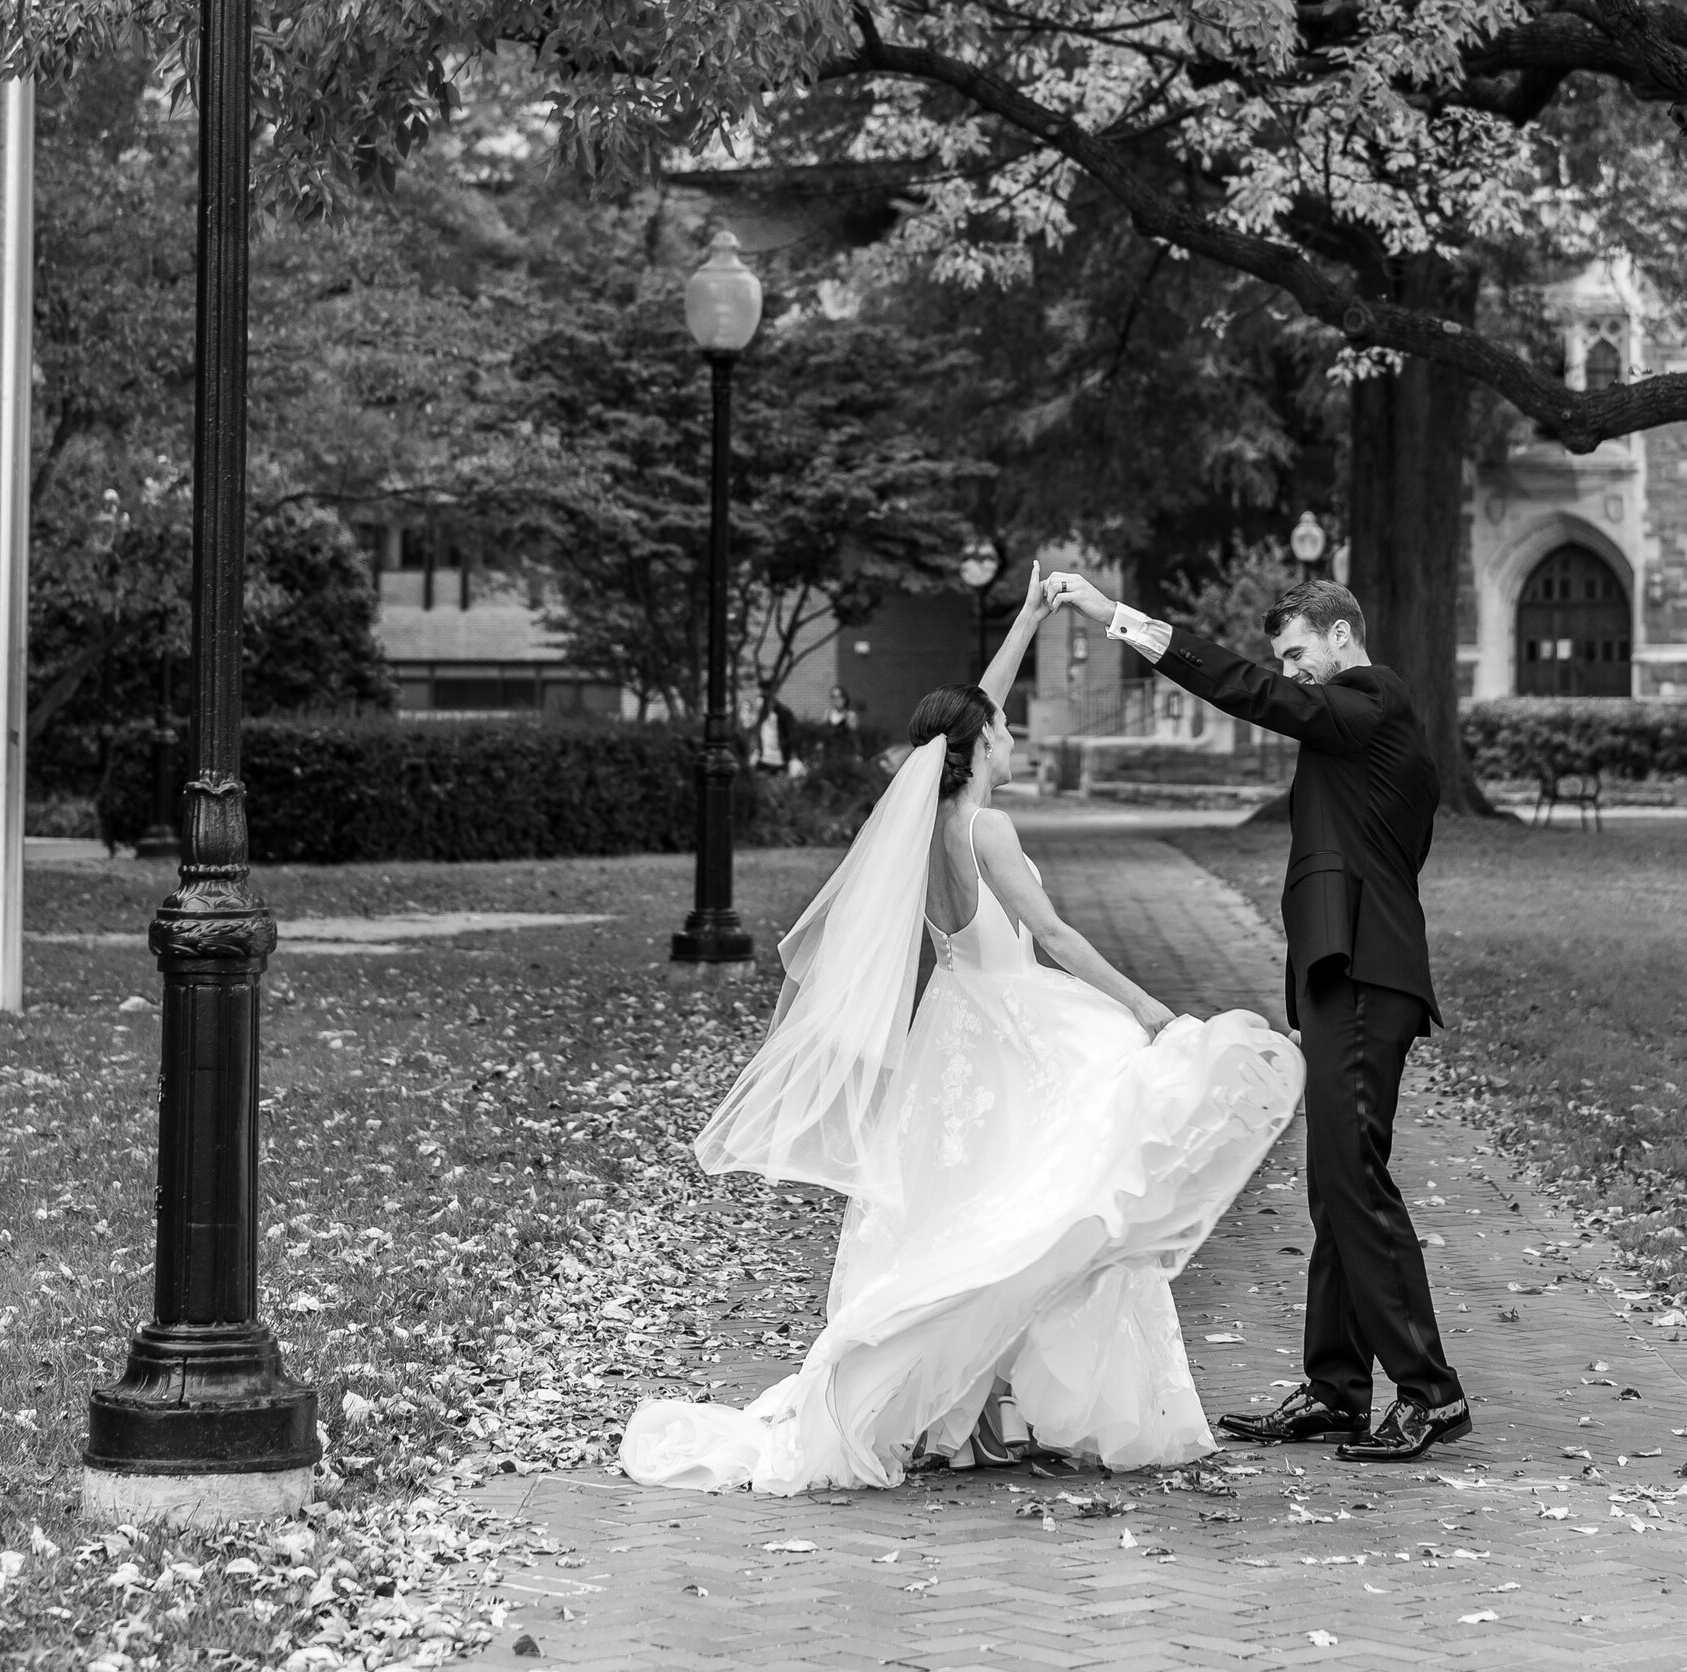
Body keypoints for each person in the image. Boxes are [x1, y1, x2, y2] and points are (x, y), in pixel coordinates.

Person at [619, 561, 1304, 1495]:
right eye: (1006, 731)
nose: (1012, 735)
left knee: (969, 1220)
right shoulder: (989, 831)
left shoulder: (926, 824)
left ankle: (972, 1418)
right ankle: (990, 1411)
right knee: (1042, 1210)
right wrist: (1146, 1007)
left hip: (952, 1034)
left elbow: (969, 711)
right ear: (982, 749)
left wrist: (1024, 620)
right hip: (1013, 1030)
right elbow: (1054, 936)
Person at [1043, 569, 1466, 1464]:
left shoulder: (1372, 699)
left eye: (1299, 653)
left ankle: (1429, 1393)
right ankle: (1336, 1390)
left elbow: (1253, 694)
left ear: (1343, 637)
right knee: (1334, 1186)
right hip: (1341, 970)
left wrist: (1124, 620)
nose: (1291, 671)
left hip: (1365, 973)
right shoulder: (1359, 730)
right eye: (1284, 657)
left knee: (1355, 1182)